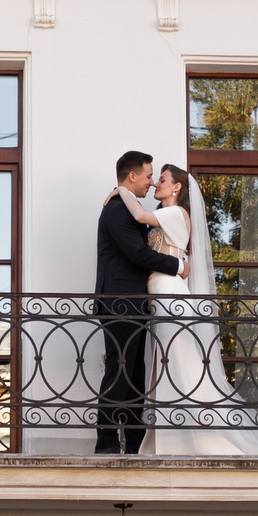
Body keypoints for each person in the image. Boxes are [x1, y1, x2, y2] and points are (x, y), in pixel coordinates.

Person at [133, 165, 258, 457]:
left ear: (177, 188)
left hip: (169, 294)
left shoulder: (174, 214)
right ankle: (171, 436)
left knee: (179, 363)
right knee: (170, 363)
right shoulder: (165, 219)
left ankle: (195, 438)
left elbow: (139, 215)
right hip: (161, 293)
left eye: (162, 180)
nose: (156, 184)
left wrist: (120, 189)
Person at [94, 151, 185, 455]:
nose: (150, 182)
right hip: (120, 301)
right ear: (131, 176)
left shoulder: (128, 207)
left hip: (134, 302)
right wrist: (176, 267)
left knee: (133, 372)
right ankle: (107, 443)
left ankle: (133, 441)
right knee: (120, 370)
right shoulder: (118, 210)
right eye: (148, 175)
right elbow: (137, 253)